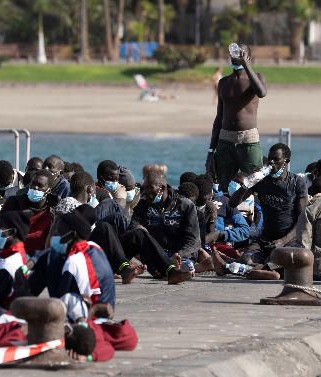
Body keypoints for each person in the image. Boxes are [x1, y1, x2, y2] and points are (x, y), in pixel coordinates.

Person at [229, 143, 308, 265]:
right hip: (266, 240)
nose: (271, 163)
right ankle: (262, 268)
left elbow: (302, 219)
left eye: (276, 159)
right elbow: (233, 203)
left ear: (286, 162)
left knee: (277, 261)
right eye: (270, 159)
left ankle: (263, 268)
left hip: (289, 240)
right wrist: (247, 184)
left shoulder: (297, 182)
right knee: (247, 259)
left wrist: (282, 241)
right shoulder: (261, 181)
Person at [206, 43, 267, 192]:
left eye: (241, 54)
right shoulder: (224, 82)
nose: (236, 57)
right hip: (225, 140)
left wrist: (246, 65)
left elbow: (261, 92)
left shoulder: (256, 77)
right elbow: (219, 117)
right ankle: (227, 213)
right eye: (233, 54)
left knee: (254, 184)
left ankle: (252, 214)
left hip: (249, 139)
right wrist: (210, 151)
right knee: (223, 186)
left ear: (248, 57)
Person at [122, 172, 198, 284]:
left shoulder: (185, 205)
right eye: (144, 187)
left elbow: (193, 240)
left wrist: (180, 254)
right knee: (138, 235)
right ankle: (167, 271)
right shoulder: (143, 205)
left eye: (149, 188)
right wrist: (139, 229)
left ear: (161, 188)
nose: (146, 192)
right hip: (155, 255)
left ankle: (175, 270)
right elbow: (133, 227)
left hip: (179, 255)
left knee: (187, 267)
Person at [1, 169, 57, 255]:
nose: (35, 188)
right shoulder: (14, 203)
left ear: (48, 190)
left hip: (37, 260)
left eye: (40, 185)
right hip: (13, 255)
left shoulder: (52, 212)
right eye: (33, 184)